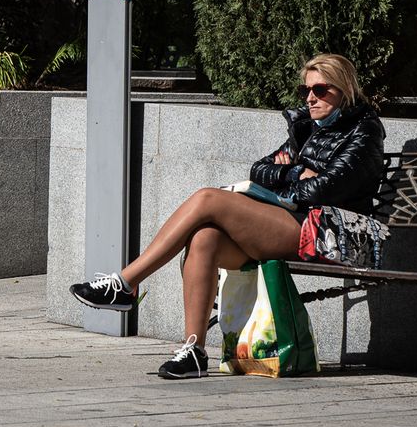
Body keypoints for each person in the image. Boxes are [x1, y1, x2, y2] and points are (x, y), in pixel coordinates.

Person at [70, 53, 385, 379]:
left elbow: (323, 190)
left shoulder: (364, 131)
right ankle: (193, 350)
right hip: (293, 221)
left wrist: (292, 180)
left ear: (344, 88)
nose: (310, 98)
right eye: (306, 90)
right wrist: (294, 175)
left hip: (334, 234)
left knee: (208, 198)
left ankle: (127, 283)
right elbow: (260, 168)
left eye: (320, 90)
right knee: (204, 238)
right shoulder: (307, 127)